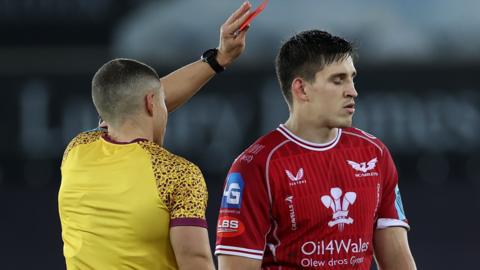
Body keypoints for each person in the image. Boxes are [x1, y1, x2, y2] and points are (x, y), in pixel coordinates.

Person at [58, 2, 253, 270]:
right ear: (151, 103)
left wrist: (218, 58)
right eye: (160, 101)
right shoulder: (178, 175)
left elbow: (128, 106)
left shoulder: (77, 150)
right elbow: (194, 261)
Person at [215, 30, 416, 269]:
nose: (353, 91)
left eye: (352, 78)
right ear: (301, 89)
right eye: (338, 80)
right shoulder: (255, 166)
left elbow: (397, 259)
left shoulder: (374, 153)